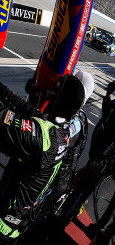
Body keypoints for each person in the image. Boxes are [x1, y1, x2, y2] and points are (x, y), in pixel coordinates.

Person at [0, 20, 86, 244]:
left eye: (55, 89)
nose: (49, 91)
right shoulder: (60, 129)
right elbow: (13, 100)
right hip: (10, 227)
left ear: (61, 98)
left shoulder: (44, 136)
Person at [16, 70, 93, 243]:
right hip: (57, 175)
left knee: (32, 219)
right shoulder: (77, 115)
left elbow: (49, 135)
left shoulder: (74, 121)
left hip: (56, 178)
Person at [49, 79, 115, 242]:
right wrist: (107, 95)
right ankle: (63, 217)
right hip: (96, 155)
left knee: (81, 192)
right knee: (79, 188)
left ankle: (61, 223)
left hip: (101, 161)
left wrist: (100, 159)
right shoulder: (113, 108)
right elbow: (106, 110)